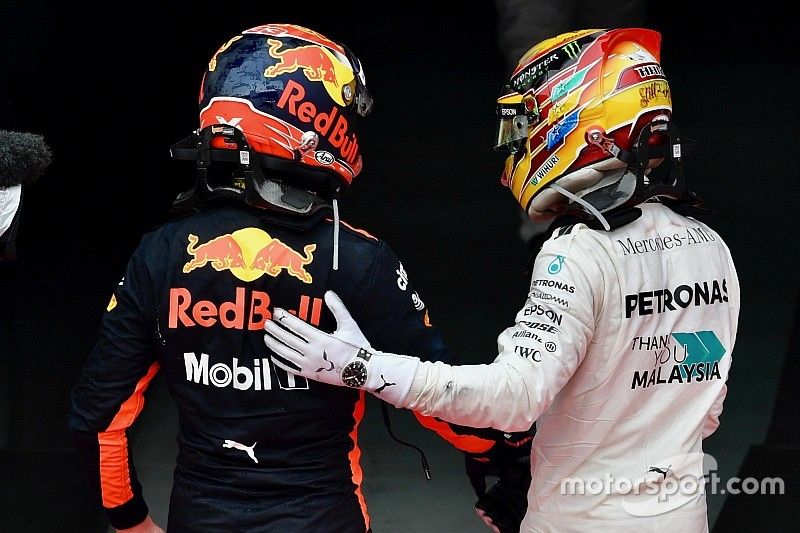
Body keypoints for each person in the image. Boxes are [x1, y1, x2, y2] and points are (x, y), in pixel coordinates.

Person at [263, 28, 741, 532]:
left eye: (527, 123)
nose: (516, 143)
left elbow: (513, 399)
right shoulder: (710, 245)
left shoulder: (580, 252)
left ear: (585, 125)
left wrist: (361, 367)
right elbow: (706, 412)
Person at [67, 23, 531, 533]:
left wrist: (129, 520)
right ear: (315, 121)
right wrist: (508, 452)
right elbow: (440, 400)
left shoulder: (160, 253)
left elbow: (99, 414)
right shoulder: (357, 259)